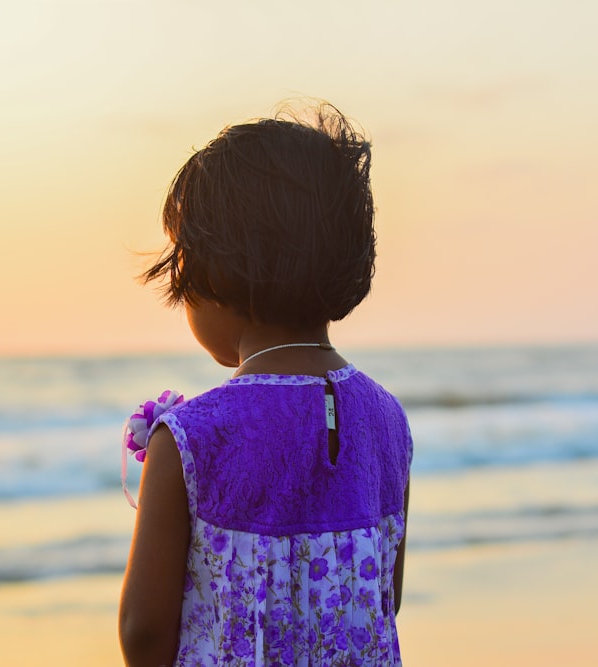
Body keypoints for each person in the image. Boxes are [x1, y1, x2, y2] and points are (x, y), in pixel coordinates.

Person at [119, 102, 412, 667]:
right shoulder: (387, 420)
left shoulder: (189, 438)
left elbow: (143, 632)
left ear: (217, 274)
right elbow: (383, 599)